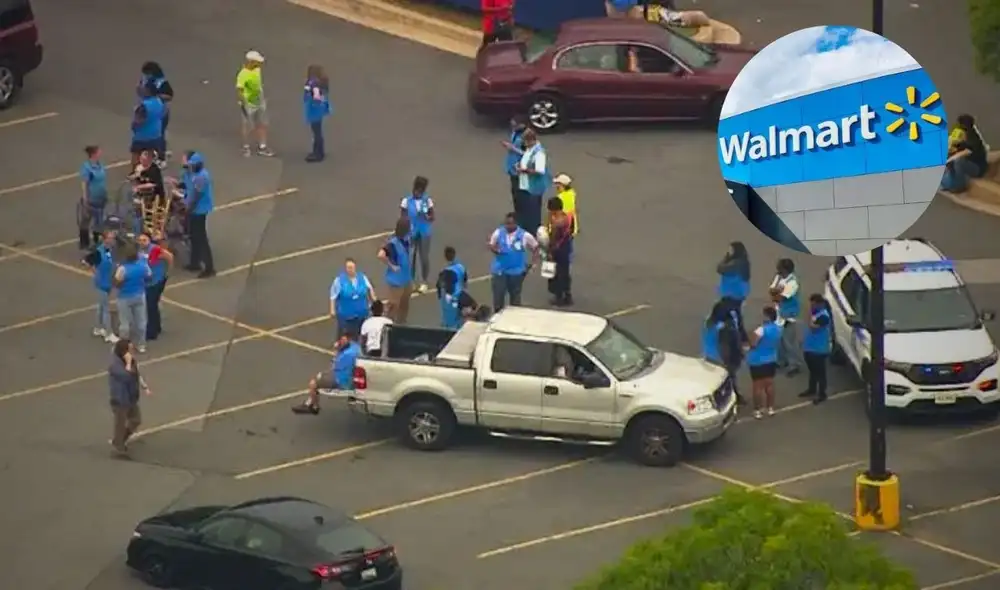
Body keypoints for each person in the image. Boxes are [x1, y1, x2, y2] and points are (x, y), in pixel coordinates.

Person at [292, 329, 363, 415]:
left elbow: (334, 366)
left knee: (313, 383)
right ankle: (309, 402)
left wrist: (336, 351)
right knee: (320, 375)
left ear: (348, 340)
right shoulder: (356, 347)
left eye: (343, 340)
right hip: (349, 376)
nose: (341, 341)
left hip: (342, 380)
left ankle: (314, 407)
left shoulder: (346, 355)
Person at [108, 338, 151, 456]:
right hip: (120, 399)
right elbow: (125, 377)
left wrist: (144, 386)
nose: (132, 351)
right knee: (120, 424)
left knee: (136, 420)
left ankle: (120, 439)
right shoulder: (115, 365)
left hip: (131, 397)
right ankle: (119, 446)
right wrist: (128, 363)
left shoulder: (132, 361)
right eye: (130, 349)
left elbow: (137, 374)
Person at [489, 212, 539, 312]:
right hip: (500, 271)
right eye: (506, 223)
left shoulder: (524, 235)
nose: (507, 226)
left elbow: (535, 247)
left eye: (510, 223)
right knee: (498, 297)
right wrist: (496, 250)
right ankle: (497, 317)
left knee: (515, 299)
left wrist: (534, 263)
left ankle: (514, 319)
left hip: (516, 272)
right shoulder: (498, 232)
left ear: (516, 223)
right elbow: (491, 244)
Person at [702, 299, 747, 405]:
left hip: (709, 354)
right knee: (728, 377)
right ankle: (731, 397)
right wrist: (738, 356)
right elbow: (728, 345)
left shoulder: (709, 321)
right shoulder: (727, 327)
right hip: (722, 357)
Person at [182, 152, 216, 278]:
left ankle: (209, 267)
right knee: (193, 236)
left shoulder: (201, 177)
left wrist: (187, 209)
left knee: (200, 237)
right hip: (195, 209)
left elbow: (195, 197)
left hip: (199, 210)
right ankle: (194, 262)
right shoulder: (194, 174)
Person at [114, 243, 152, 353]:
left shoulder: (123, 269)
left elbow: (117, 283)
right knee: (141, 321)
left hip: (125, 297)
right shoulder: (143, 266)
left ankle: (124, 347)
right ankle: (141, 345)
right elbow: (149, 277)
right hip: (139, 295)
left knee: (124, 323)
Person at [400, 176, 435, 293]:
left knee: (424, 258)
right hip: (411, 232)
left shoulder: (427, 201)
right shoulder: (406, 201)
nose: (418, 193)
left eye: (421, 191)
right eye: (417, 191)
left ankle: (424, 282)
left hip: (424, 233)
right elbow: (403, 218)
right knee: (410, 257)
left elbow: (432, 217)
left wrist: (426, 216)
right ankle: (411, 282)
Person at [746, 306, 782, 419]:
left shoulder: (761, 330)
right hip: (771, 359)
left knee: (757, 387)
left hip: (757, 361)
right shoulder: (778, 329)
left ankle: (758, 410)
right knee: (769, 384)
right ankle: (770, 408)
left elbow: (753, 344)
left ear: (767, 316)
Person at [82, 230, 118, 343]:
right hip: (101, 283)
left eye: (113, 238)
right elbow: (85, 261)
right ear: (104, 239)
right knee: (106, 308)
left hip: (108, 281)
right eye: (110, 238)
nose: (112, 240)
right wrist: (94, 271)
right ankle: (109, 333)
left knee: (101, 306)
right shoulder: (98, 252)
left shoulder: (110, 250)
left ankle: (98, 328)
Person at [236, 50, 274, 157]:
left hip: (260, 102)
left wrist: (262, 97)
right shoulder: (242, 75)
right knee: (248, 126)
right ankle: (246, 147)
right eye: (257, 61)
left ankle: (263, 147)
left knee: (262, 124)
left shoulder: (257, 69)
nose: (260, 63)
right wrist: (243, 104)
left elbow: (258, 85)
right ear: (251, 62)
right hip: (249, 104)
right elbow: (240, 91)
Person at [514, 129, 551, 236]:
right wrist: (519, 165)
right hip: (526, 185)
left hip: (534, 187)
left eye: (525, 142)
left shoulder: (539, 153)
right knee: (527, 209)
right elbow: (526, 159)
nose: (524, 144)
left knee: (534, 211)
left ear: (531, 140)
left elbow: (540, 171)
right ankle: (527, 229)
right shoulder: (530, 149)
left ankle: (534, 233)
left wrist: (523, 170)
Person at [138, 232, 173, 341]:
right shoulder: (140, 250)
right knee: (153, 304)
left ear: (149, 240)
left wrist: (168, 272)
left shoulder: (155, 249)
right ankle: (157, 326)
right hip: (148, 281)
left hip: (156, 281)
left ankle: (152, 332)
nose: (142, 242)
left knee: (150, 305)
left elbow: (169, 257)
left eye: (144, 240)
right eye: (140, 240)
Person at [940, 114, 989, 193]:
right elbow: (955, 148)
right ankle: (949, 182)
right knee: (950, 159)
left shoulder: (973, 138)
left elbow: (966, 152)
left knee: (958, 161)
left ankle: (960, 185)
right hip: (967, 164)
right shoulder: (962, 135)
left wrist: (950, 159)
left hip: (977, 168)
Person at [769, 258, 802, 376]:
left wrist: (777, 293)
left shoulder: (792, 283)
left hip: (789, 316)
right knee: (779, 340)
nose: (778, 271)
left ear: (786, 270)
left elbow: (780, 297)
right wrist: (777, 292)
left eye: (780, 269)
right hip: (780, 313)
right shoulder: (779, 277)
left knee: (789, 342)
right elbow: (772, 291)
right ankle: (781, 361)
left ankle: (795, 364)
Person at [377, 219, 414, 323]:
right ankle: (388, 325)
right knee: (393, 306)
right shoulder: (393, 244)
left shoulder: (407, 239)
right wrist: (392, 266)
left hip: (406, 279)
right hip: (396, 282)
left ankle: (402, 323)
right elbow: (381, 255)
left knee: (405, 304)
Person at [330, 258, 376, 337]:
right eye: (348, 267)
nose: (350, 270)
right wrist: (332, 310)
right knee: (345, 336)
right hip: (346, 316)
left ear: (355, 267)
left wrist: (374, 301)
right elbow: (333, 296)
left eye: (351, 267)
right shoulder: (339, 281)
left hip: (362, 314)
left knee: (362, 335)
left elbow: (370, 289)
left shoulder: (362, 277)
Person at [800, 294, 833, 404]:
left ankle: (822, 394)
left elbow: (813, 328)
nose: (811, 306)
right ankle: (812, 389)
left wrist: (809, 315)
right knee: (813, 371)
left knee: (820, 373)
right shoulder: (816, 313)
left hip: (819, 350)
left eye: (813, 304)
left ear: (820, 304)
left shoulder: (824, 316)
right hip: (810, 347)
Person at [139, 61, 174, 159]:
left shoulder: (162, 83)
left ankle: (162, 157)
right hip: (148, 111)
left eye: (147, 73)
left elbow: (169, 95)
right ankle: (153, 152)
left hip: (161, 112)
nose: (146, 75)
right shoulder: (144, 80)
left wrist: (156, 96)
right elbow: (140, 91)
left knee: (159, 135)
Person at [545, 196, 574, 306]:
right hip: (565, 247)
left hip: (558, 249)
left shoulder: (557, 221)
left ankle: (559, 297)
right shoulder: (566, 217)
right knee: (565, 272)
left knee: (558, 273)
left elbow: (554, 236)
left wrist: (550, 250)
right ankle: (567, 295)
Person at [78, 145, 108, 250]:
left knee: (99, 220)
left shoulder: (100, 165)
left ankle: (96, 241)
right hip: (91, 198)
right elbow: (84, 184)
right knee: (86, 219)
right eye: (99, 151)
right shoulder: (87, 168)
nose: (101, 153)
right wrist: (85, 199)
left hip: (101, 196)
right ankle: (84, 242)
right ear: (94, 154)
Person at [130, 83, 166, 168]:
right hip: (155, 134)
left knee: (136, 155)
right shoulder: (159, 101)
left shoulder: (144, 105)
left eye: (144, 88)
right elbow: (164, 113)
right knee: (149, 155)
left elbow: (139, 121)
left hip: (142, 136)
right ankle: (147, 172)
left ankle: (135, 173)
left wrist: (134, 126)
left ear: (148, 91)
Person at [716, 241, 750, 328]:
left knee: (723, 317)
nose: (729, 252)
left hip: (732, 295)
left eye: (731, 250)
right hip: (738, 295)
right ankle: (741, 337)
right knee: (736, 317)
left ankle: (730, 337)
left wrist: (725, 258)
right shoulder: (743, 262)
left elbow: (720, 269)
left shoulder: (737, 263)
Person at [303, 64, 331, 162]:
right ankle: (320, 151)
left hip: (314, 109)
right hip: (320, 109)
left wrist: (315, 99)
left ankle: (317, 153)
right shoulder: (322, 82)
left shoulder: (313, 82)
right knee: (318, 131)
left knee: (316, 132)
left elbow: (316, 95)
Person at [437, 246, 467, 329]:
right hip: (460, 296)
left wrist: (440, 297)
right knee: (459, 317)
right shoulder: (461, 267)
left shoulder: (445, 272)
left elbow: (440, 287)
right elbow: (465, 283)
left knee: (449, 319)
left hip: (450, 299)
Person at [501, 115, 527, 211]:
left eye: (515, 125)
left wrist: (512, 148)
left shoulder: (526, 136)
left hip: (520, 169)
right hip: (513, 168)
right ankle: (518, 210)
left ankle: (522, 211)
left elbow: (528, 154)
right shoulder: (515, 132)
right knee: (514, 192)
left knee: (520, 193)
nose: (513, 127)